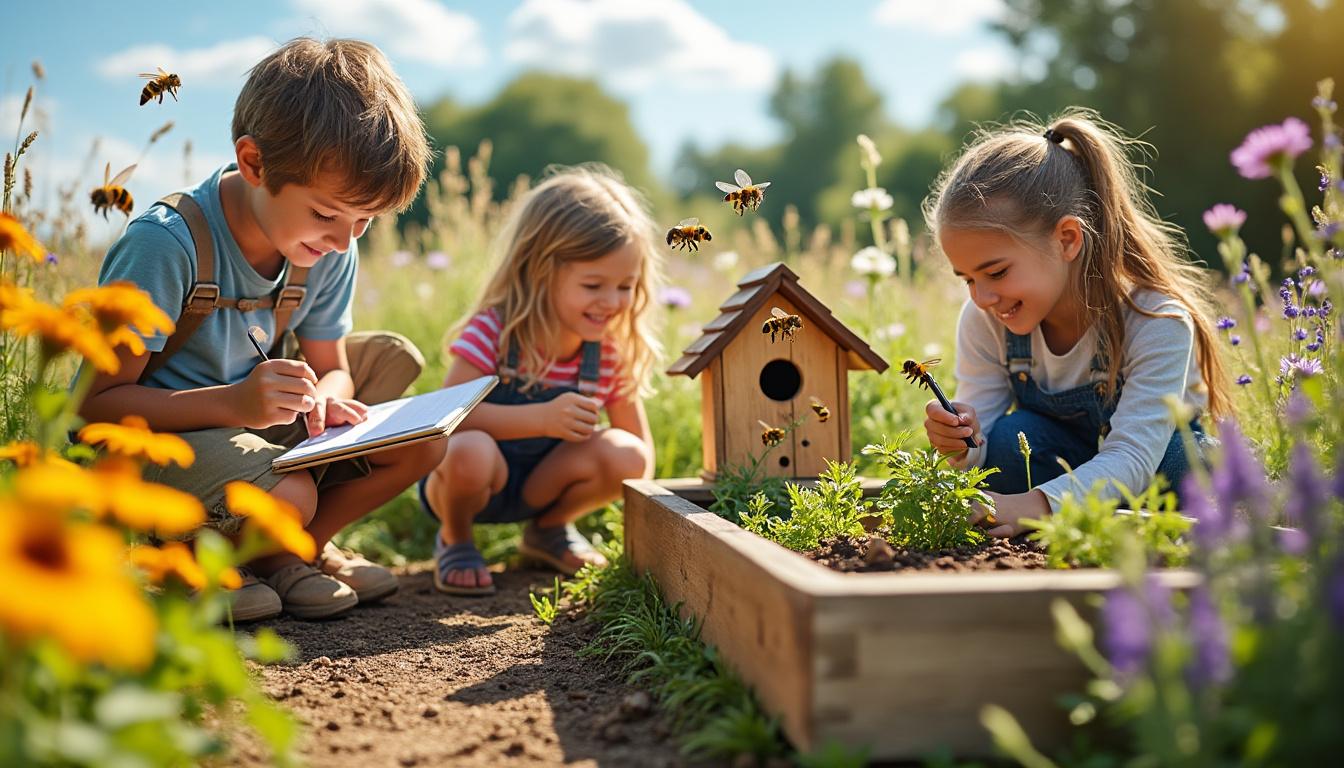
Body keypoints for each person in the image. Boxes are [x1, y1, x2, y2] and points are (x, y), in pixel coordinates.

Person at [79, 37, 441, 621]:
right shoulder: (164, 246)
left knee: (423, 440)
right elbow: (93, 410)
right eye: (327, 214)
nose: (345, 242)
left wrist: (326, 399)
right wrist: (236, 403)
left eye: (366, 221)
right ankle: (194, 555)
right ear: (254, 163)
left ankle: (286, 555)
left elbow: (334, 366)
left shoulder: (327, 248)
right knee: (293, 493)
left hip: (263, 425)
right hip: (156, 440)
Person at [920, 109, 1229, 536]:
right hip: (1057, 459)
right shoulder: (985, 318)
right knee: (1011, 442)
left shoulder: (1156, 318)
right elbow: (984, 442)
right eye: (967, 278)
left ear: (1066, 238)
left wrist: (1033, 504)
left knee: (1183, 462)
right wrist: (962, 443)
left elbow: (1135, 456)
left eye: (996, 272)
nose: (981, 297)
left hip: (1147, 467)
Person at [419, 165, 661, 595]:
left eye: (626, 286)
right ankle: (455, 539)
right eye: (593, 284)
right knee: (469, 450)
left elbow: (638, 452)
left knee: (627, 454)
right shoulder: (495, 332)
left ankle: (548, 531)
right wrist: (541, 419)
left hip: (542, 485)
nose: (612, 302)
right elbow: (446, 418)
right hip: (465, 481)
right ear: (541, 270)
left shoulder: (608, 352)